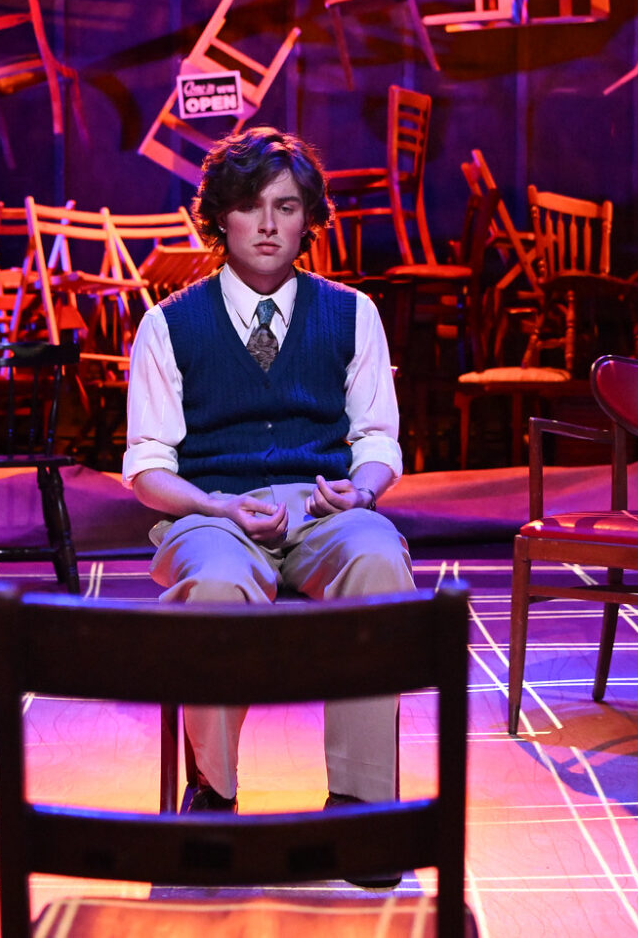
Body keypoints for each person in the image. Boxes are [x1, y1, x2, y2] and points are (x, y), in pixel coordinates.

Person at [123, 126, 412, 833]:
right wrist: (211, 502)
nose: (267, 223)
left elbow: (378, 437)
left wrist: (364, 490)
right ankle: (214, 795)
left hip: (325, 507)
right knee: (216, 585)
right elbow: (147, 465)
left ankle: (363, 804)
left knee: (379, 558)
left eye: (285, 206)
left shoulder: (352, 312)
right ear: (221, 215)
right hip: (213, 509)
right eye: (250, 205)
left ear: (308, 219)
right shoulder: (168, 325)